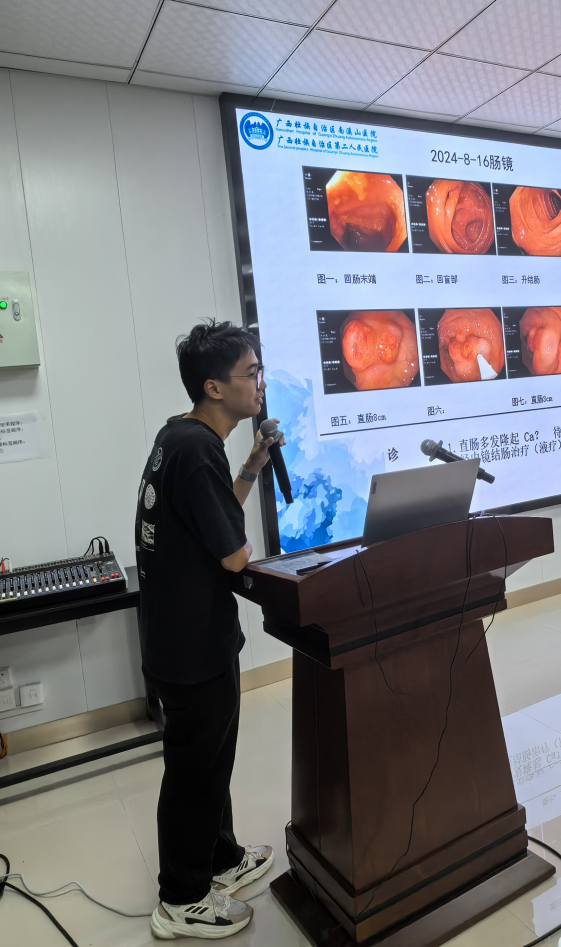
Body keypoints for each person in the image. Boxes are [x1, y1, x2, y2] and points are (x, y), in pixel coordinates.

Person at [135, 320, 281, 940]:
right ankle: (182, 898)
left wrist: (250, 466)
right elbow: (231, 555)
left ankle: (219, 857)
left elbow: (214, 514)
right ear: (215, 387)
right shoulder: (196, 451)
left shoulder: (183, 436)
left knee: (212, 760)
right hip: (192, 646)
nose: (260, 382)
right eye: (252, 372)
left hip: (184, 637)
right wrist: (247, 553)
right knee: (195, 772)